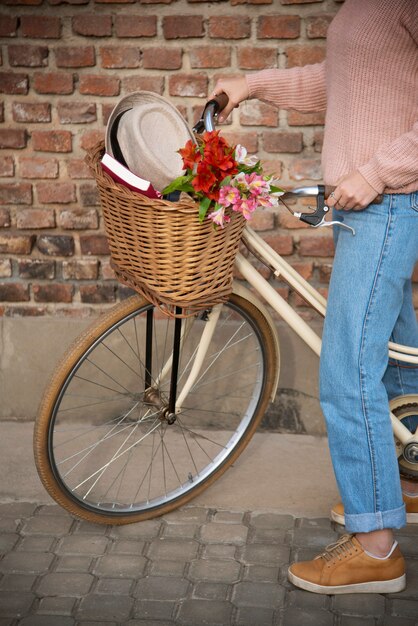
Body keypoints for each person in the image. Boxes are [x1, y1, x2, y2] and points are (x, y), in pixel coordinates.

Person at [212, 0, 418, 594]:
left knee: (347, 372)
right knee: (400, 359)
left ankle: (376, 546)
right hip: (373, 210)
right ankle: (406, 484)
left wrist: (376, 173)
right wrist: (248, 85)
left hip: (386, 205)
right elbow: (342, 80)